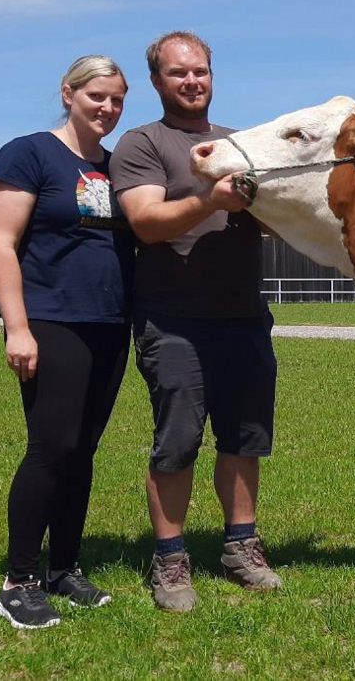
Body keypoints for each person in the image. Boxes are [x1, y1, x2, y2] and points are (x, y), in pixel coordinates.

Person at [110, 30, 280, 613]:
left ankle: (241, 546)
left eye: (200, 71)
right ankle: (171, 559)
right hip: (174, 321)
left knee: (245, 440)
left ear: (213, 75)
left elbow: (272, 218)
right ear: (157, 81)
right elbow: (147, 222)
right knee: (177, 443)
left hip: (245, 318)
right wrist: (214, 198)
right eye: (178, 73)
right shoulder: (143, 144)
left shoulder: (241, 142)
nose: (192, 81)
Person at [0, 55, 134, 629]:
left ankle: (64, 567)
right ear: (68, 93)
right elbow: (1, 243)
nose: (108, 108)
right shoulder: (28, 153)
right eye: (97, 96)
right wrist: (17, 327)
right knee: (51, 446)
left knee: (83, 449)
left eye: (117, 100)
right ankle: (18, 579)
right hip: (51, 320)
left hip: (108, 322)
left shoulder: (117, 165)